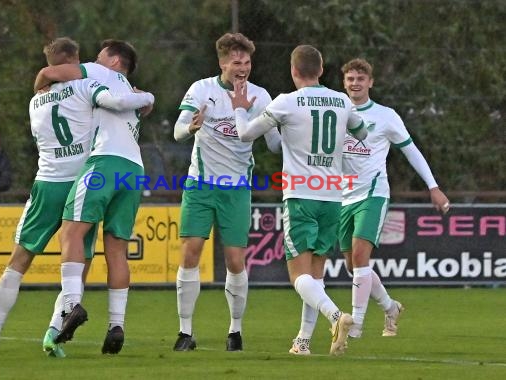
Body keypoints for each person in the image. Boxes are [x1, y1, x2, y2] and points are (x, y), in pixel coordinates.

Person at [0, 37, 153, 357]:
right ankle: (54, 334)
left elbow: (45, 89)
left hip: (48, 183)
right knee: (78, 263)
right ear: (75, 61)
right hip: (84, 178)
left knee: (19, 261)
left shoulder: (35, 100)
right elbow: (114, 107)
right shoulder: (86, 88)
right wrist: (144, 98)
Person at [231, 45, 368, 356]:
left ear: (294, 72)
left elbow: (245, 135)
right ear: (321, 70)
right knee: (315, 274)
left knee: (298, 276)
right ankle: (303, 342)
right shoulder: (342, 100)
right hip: (333, 195)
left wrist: (240, 107)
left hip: (301, 195)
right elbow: (360, 134)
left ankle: (336, 316)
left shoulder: (286, 103)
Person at [34, 39, 154, 355]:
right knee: (117, 250)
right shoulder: (132, 92)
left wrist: (40, 88)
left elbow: (49, 72)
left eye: (101, 56)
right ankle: (116, 325)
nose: (93, 59)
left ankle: (71, 306)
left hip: (104, 163)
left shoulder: (96, 73)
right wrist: (148, 97)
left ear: (115, 61)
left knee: (72, 231)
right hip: (134, 171)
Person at [172, 32, 281, 352]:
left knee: (235, 259)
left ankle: (235, 331)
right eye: (236, 62)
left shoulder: (261, 97)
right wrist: (191, 127)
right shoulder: (201, 89)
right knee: (190, 251)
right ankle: (184, 332)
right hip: (200, 185)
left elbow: (274, 145)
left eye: (247, 62)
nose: (242, 67)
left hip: (237, 189)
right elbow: (178, 131)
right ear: (222, 63)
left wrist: (289, 129)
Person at [338, 58, 449, 339]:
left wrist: (433, 186)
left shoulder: (386, 116)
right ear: (344, 82)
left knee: (361, 257)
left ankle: (356, 326)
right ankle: (390, 307)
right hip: (342, 196)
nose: (355, 83)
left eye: (360, 79)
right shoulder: (337, 112)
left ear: (370, 83)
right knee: (352, 265)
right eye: (350, 79)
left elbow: (411, 151)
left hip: (373, 193)